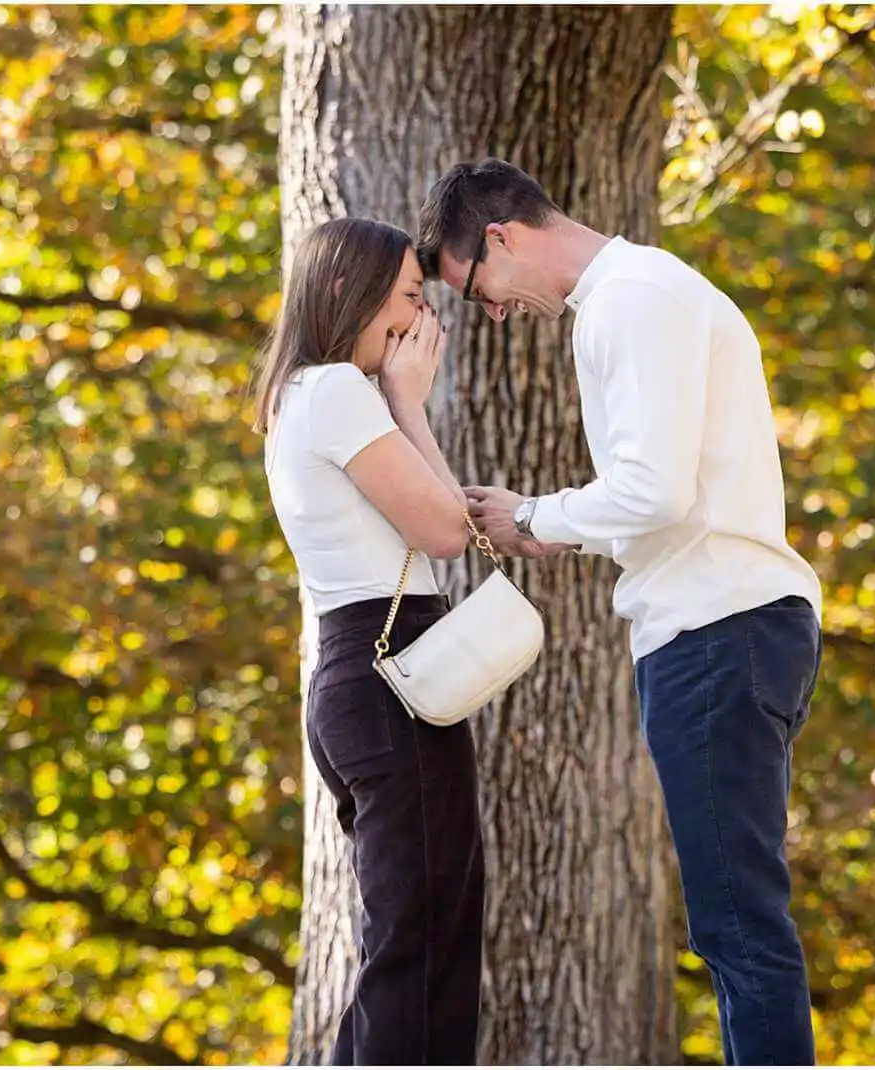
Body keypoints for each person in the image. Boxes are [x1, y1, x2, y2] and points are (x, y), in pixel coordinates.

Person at [417, 160, 825, 1066]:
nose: (490, 313)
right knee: (734, 923)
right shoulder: (637, 295)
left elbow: (655, 493)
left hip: (719, 632)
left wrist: (532, 518)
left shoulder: (632, 300)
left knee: (738, 927)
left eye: (476, 288)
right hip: (723, 627)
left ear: (500, 238)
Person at [252, 217, 483, 1064]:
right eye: (411, 299)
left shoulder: (295, 399)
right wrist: (410, 402)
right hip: (389, 677)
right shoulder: (340, 392)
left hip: (360, 671)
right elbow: (446, 527)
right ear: (355, 295)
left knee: (413, 936)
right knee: (425, 945)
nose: (422, 321)